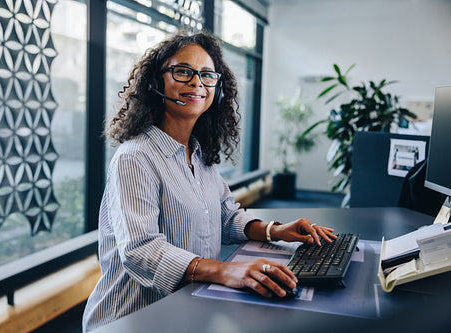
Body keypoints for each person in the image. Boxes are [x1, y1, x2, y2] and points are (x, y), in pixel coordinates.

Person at [82, 30, 336, 332]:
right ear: (156, 82)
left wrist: (276, 231)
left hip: (191, 307)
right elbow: (141, 249)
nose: (196, 82)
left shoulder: (198, 153)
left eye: (207, 75)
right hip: (133, 318)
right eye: (183, 72)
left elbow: (225, 216)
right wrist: (227, 271)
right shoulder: (135, 157)